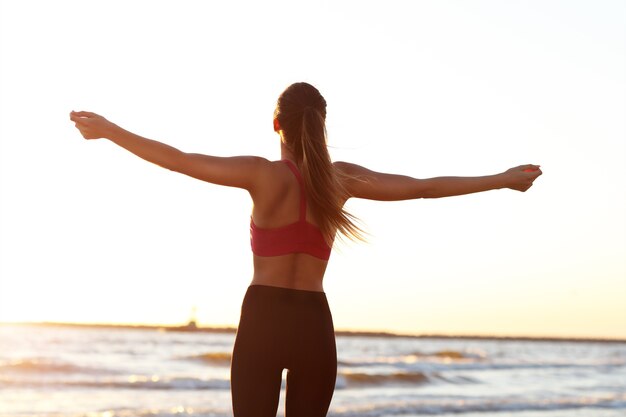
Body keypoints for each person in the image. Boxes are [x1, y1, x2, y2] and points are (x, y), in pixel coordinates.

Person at [69, 82, 542, 417]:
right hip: (314, 322)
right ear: (321, 126)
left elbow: (181, 161)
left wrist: (110, 130)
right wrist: (502, 180)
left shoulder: (262, 174)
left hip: (263, 318)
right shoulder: (340, 180)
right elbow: (424, 188)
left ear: (277, 124)